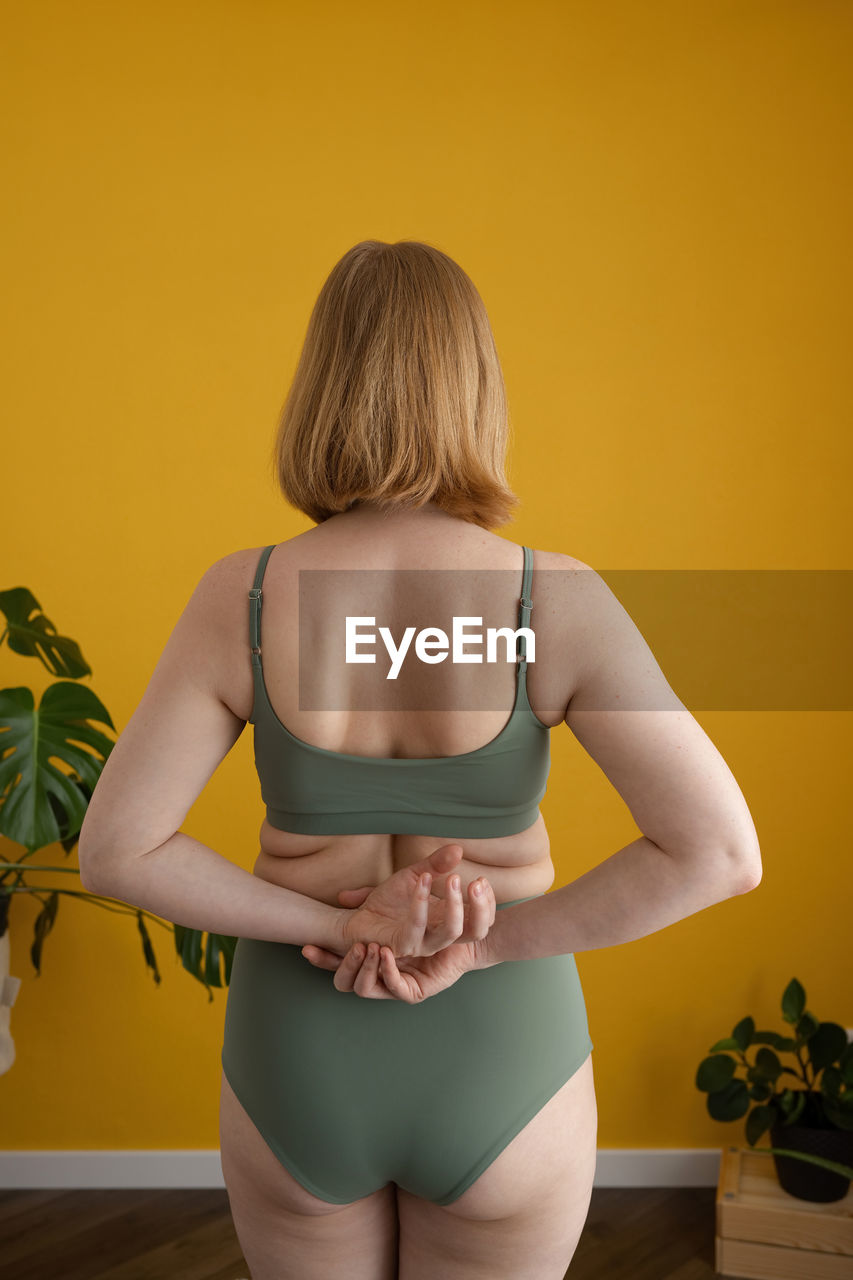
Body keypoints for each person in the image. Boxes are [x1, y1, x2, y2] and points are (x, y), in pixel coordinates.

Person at [78, 240, 762, 1280]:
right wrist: (482, 949)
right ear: (473, 393)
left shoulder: (246, 596)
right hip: (499, 1044)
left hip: (300, 1044)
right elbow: (716, 851)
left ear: (321, 388)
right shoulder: (553, 598)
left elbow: (118, 851)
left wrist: (336, 923)